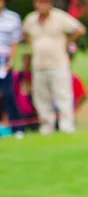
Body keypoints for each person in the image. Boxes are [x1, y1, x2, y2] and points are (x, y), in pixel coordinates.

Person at [22, 0, 87, 135]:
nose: (42, 5)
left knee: (63, 95)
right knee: (41, 98)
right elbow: (24, 33)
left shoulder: (60, 17)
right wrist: (33, 44)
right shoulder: (31, 19)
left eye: (45, 2)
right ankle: (47, 128)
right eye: (40, 2)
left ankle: (66, 126)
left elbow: (80, 29)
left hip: (58, 63)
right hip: (39, 64)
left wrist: (67, 43)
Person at [0, 0, 25, 139]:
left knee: (9, 95)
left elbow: (14, 42)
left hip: (4, 63)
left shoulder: (12, 18)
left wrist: (10, 62)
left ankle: (18, 128)